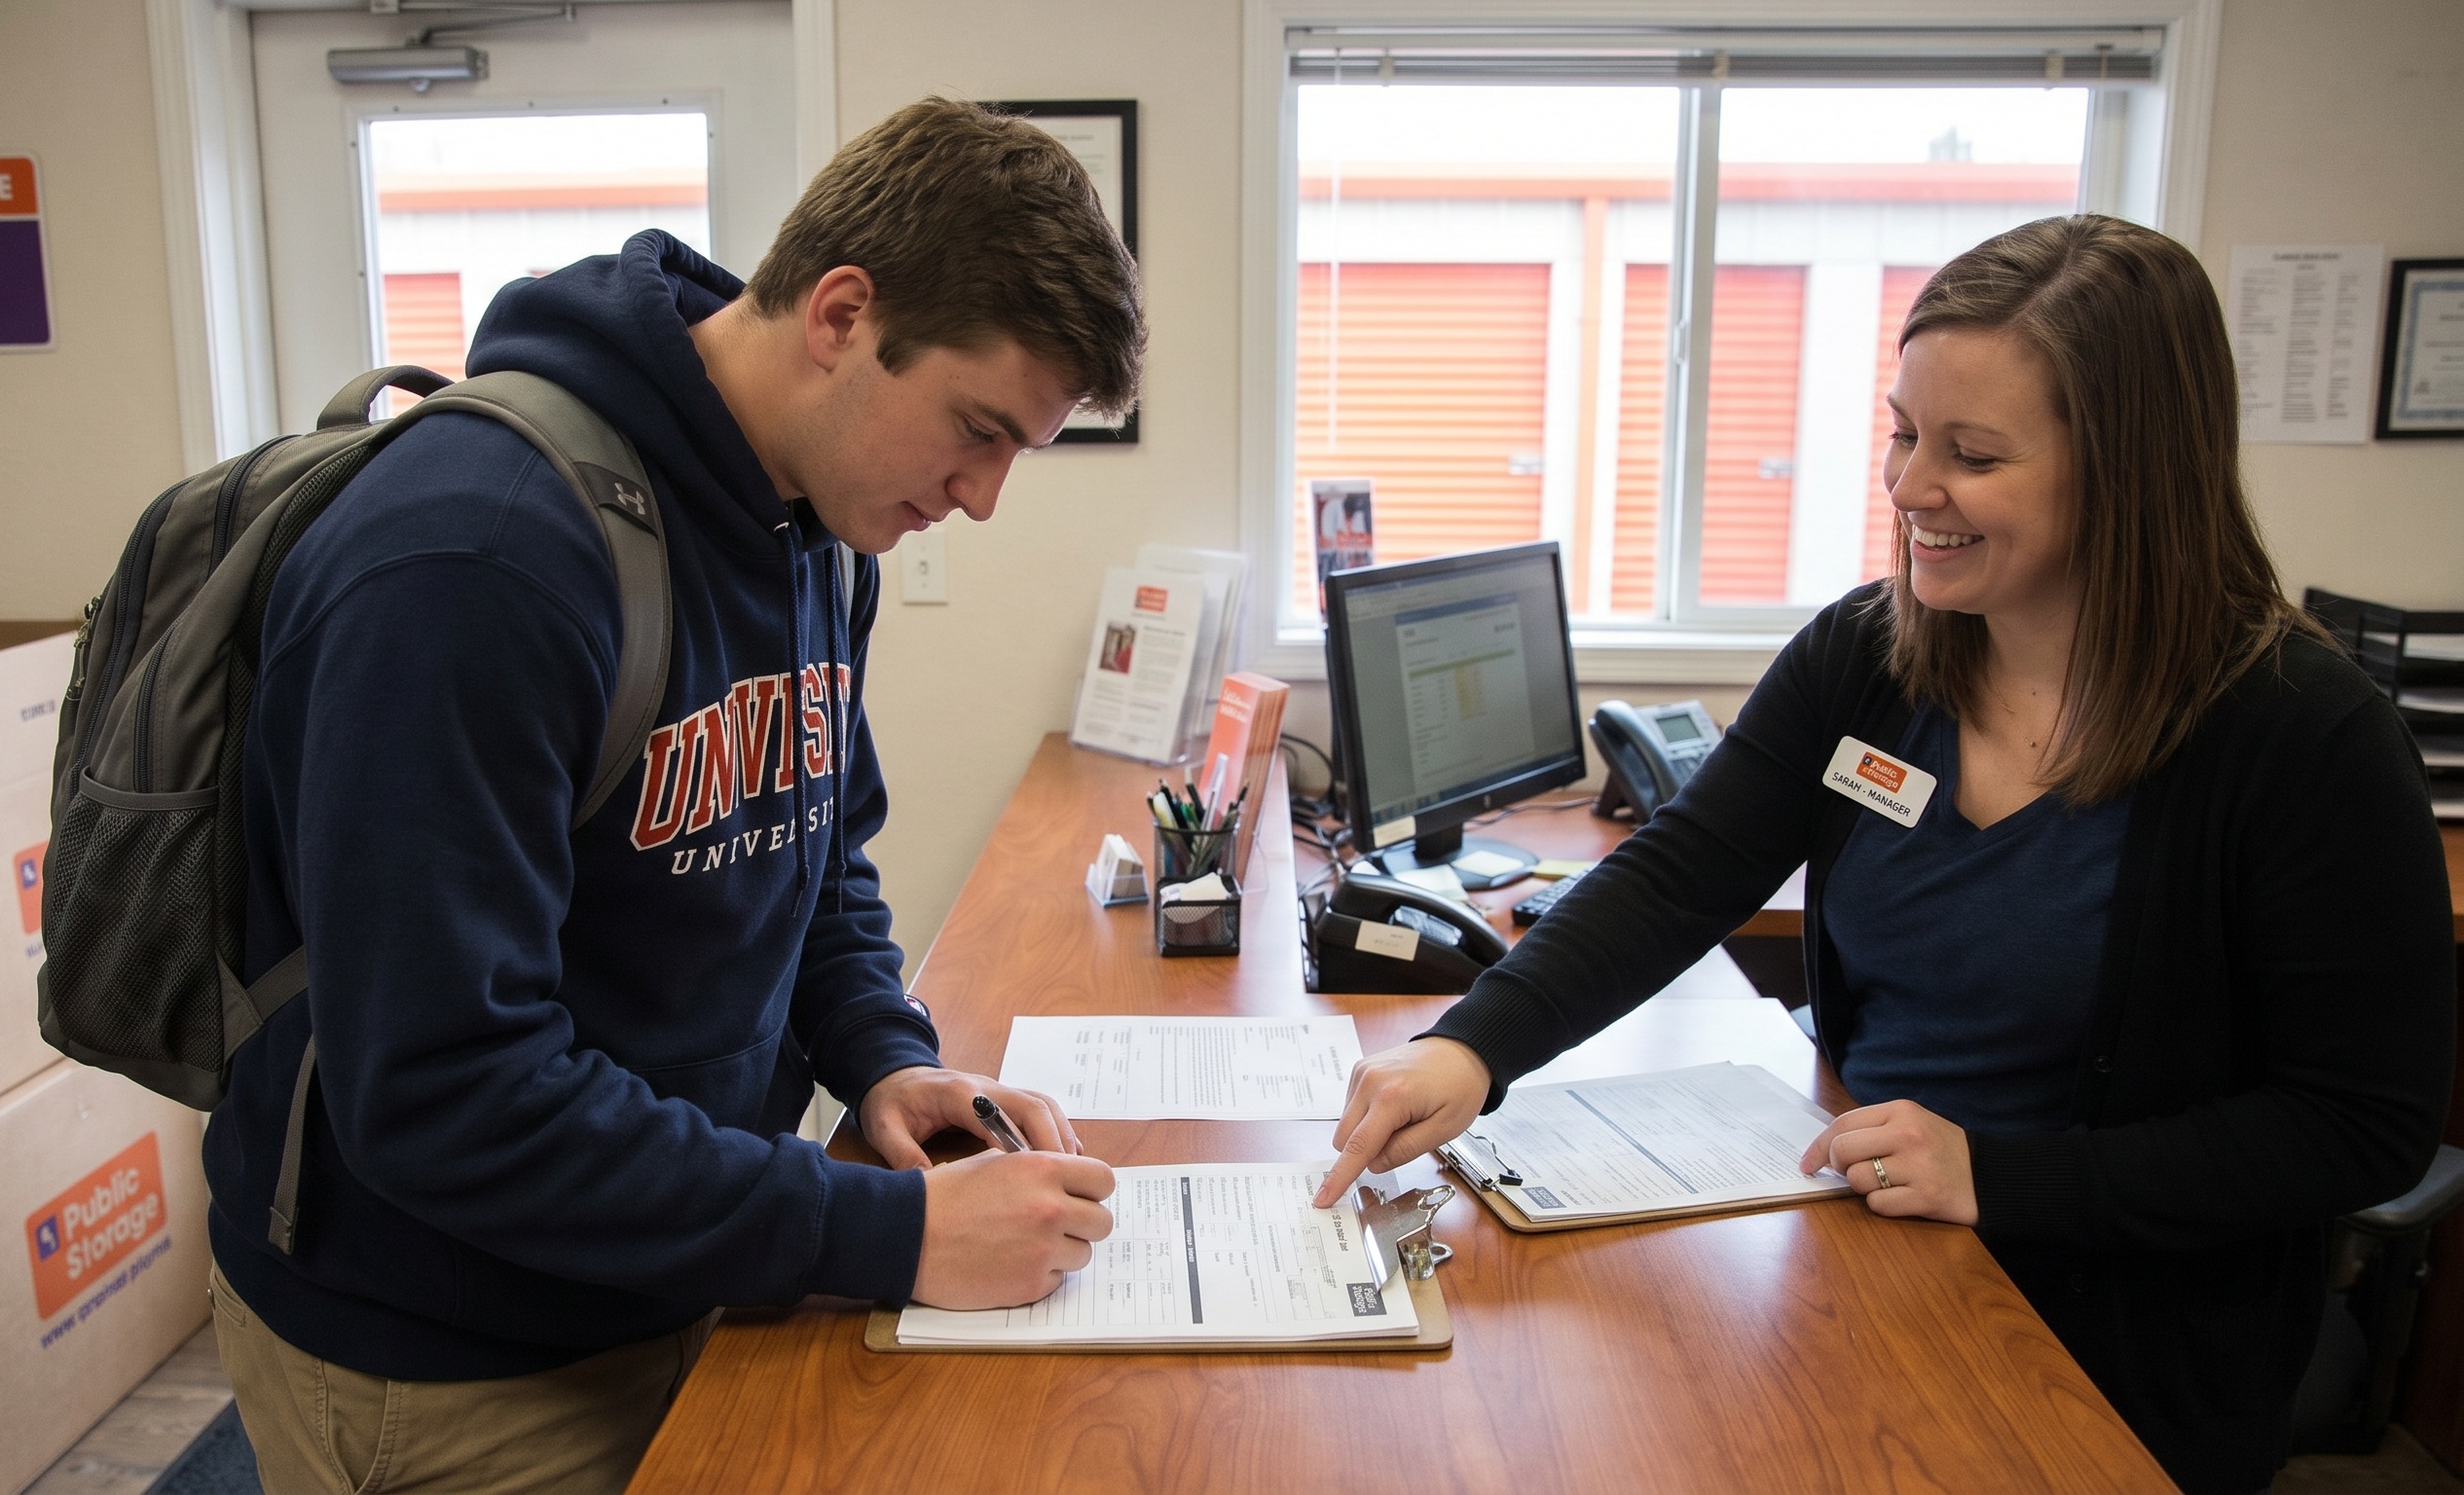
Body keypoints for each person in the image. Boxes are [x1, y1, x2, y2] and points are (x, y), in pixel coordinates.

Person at [1313, 215, 2452, 1495]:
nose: (1909, 490)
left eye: (1971, 454)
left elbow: (2366, 1126)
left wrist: (2003, 1177)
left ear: (2129, 472)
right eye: (1904, 434)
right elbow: (1687, 870)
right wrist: (1478, 1043)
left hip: (2123, 1336)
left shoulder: (2301, 738)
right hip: (1866, 1248)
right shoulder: (1870, 654)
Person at [202, 97, 1140, 1493]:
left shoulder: (816, 531)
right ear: (839, 315)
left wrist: (883, 1056)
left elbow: (815, 864)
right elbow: (448, 1093)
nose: (984, 498)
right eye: (977, 429)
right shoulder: (478, 562)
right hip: (450, 1355)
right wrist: (887, 1237)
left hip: (678, 1266)